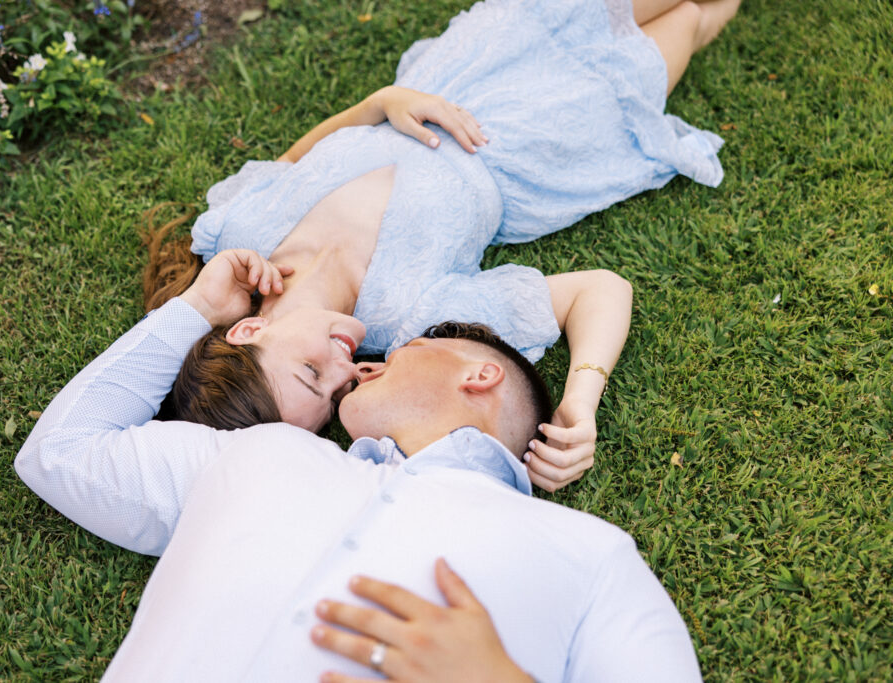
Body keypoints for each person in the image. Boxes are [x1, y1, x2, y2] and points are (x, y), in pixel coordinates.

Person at [15, 250, 702, 680]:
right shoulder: (257, 453)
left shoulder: (590, 555)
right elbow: (61, 451)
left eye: (411, 346)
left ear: (479, 373)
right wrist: (196, 308)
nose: (368, 360)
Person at [141, 0, 741, 490]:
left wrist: (377, 104)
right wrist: (581, 400)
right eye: (335, 392)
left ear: (248, 333)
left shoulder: (237, 241)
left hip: (465, 66)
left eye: (309, 372)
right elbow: (600, 290)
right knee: (693, 17)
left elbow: (292, 162)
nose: (344, 369)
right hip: (543, 132)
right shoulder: (406, 320)